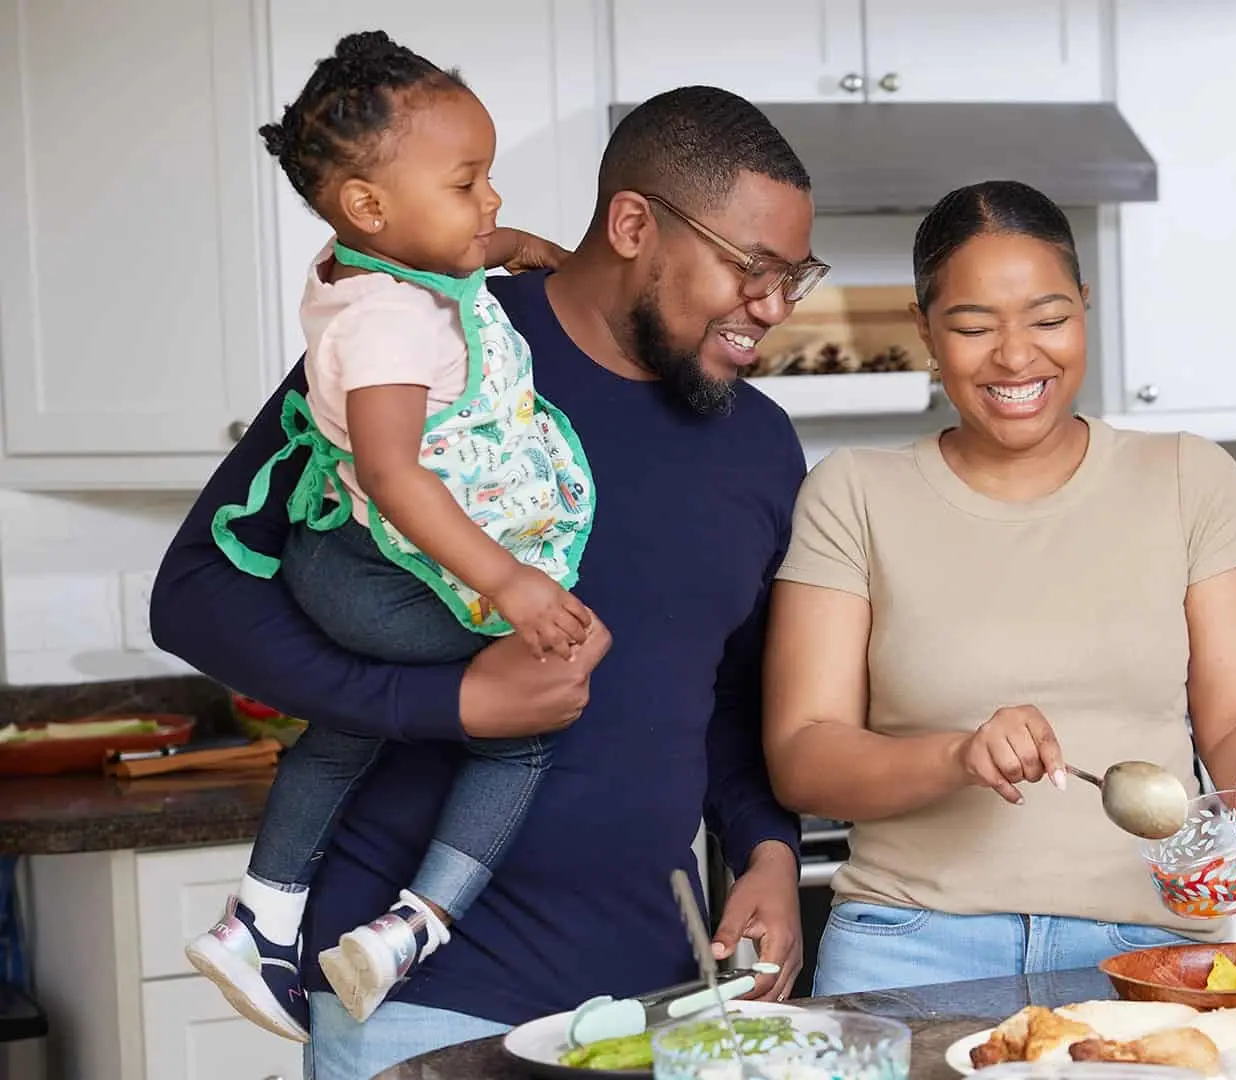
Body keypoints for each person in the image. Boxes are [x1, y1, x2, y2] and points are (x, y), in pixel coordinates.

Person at [151, 80, 826, 1079]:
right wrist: (449, 700)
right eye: (750, 269)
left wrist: (769, 849)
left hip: (650, 1004)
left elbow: (727, 694)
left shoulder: (762, 448)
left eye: (793, 275)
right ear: (634, 223)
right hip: (415, 1008)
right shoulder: (427, 338)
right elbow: (199, 588)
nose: (771, 307)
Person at [761, 180, 1236, 996]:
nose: (1017, 357)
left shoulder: (1191, 478)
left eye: (1049, 320)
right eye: (974, 327)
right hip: (909, 947)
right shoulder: (853, 494)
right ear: (925, 330)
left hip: (1147, 947)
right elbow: (804, 757)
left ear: (1085, 308)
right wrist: (957, 756)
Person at [184, 30, 601, 1040]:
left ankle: (264, 914)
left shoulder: (379, 263)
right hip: (372, 571)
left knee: (350, 729)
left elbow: (460, 256)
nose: (491, 202)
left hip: (348, 563)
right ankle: (417, 924)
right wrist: (512, 586)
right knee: (540, 704)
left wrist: (523, 251)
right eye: (470, 184)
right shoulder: (384, 328)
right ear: (370, 207)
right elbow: (392, 473)